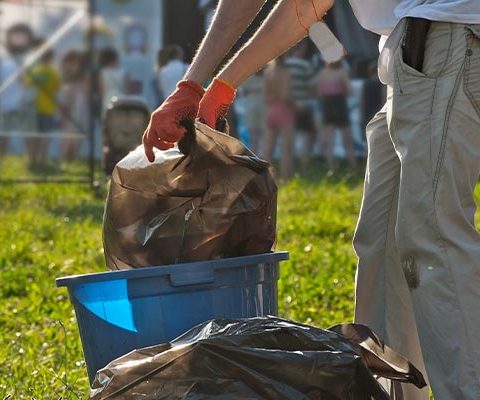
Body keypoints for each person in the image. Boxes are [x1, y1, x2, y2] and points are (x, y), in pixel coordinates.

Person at [141, 0, 480, 398]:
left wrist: (196, 84)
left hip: (447, 38)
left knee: (431, 236)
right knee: (381, 247)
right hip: (411, 55)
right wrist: (218, 84)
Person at [315, 61, 356, 170]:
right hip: (339, 104)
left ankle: (331, 168)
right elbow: (351, 91)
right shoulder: (342, 72)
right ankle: (353, 167)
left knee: (330, 140)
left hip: (327, 105)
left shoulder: (322, 73)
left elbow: (319, 92)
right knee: (347, 139)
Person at [285, 39, 318, 169]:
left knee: (289, 138)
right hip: (303, 105)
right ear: (302, 48)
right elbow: (312, 88)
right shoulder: (305, 65)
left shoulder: (285, 65)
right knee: (306, 136)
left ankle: (290, 166)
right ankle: (304, 166)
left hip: (288, 106)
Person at [262, 56, 295, 180]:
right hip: (284, 110)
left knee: (268, 148)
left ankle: (266, 177)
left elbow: (265, 97)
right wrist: (294, 105)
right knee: (286, 148)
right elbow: (286, 95)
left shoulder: (268, 73)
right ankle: (285, 178)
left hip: (271, 110)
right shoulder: (285, 73)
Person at [27, 49, 61, 165]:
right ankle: (42, 159)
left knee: (34, 135)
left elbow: (27, 85)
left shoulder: (35, 71)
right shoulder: (53, 72)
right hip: (48, 108)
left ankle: (32, 159)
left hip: (34, 108)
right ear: (51, 59)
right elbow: (58, 87)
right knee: (45, 136)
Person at [58, 50, 89, 163]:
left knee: (77, 137)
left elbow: (86, 93)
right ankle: (63, 160)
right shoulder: (67, 74)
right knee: (67, 136)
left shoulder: (84, 77)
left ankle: (72, 160)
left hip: (79, 109)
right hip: (70, 108)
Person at [359, 60, 386, 154]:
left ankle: (367, 160)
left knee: (368, 140)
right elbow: (384, 101)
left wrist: (362, 115)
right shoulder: (382, 85)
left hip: (367, 114)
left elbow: (361, 102)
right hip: (378, 114)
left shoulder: (366, 84)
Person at [238, 70, 265, 154]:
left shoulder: (266, 75)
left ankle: (259, 159)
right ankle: (255, 159)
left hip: (261, 108)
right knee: (254, 137)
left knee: (260, 137)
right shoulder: (249, 76)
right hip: (253, 109)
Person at [98, 48, 126, 116]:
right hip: (121, 99)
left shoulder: (103, 72)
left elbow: (101, 91)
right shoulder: (124, 73)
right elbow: (126, 91)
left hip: (107, 100)